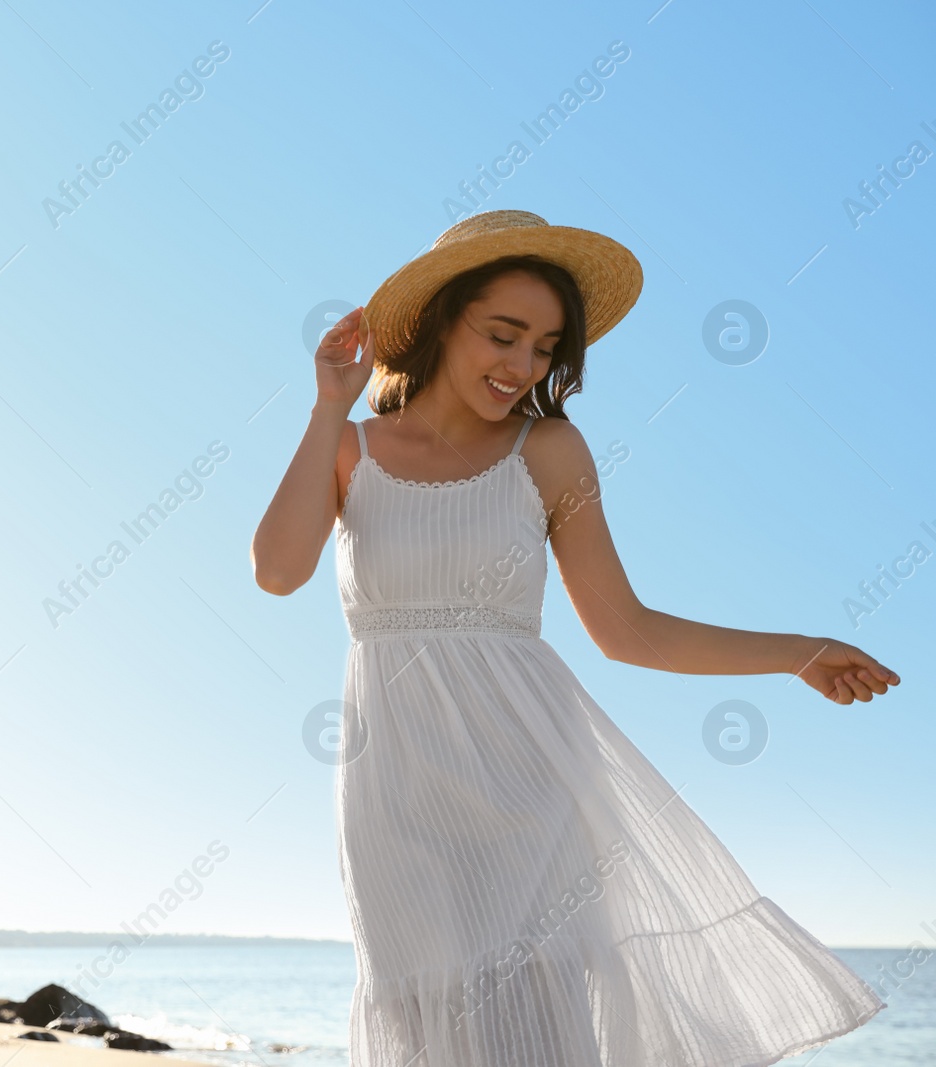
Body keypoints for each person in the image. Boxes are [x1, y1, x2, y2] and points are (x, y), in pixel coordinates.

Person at [250, 209, 898, 1066]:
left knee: (541, 1026)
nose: (522, 366)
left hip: (532, 789)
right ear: (444, 320)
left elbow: (625, 629)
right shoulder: (353, 451)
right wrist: (329, 406)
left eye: (546, 347)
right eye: (503, 334)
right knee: (421, 1019)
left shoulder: (550, 451)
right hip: (394, 799)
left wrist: (796, 651)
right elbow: (277, 569)